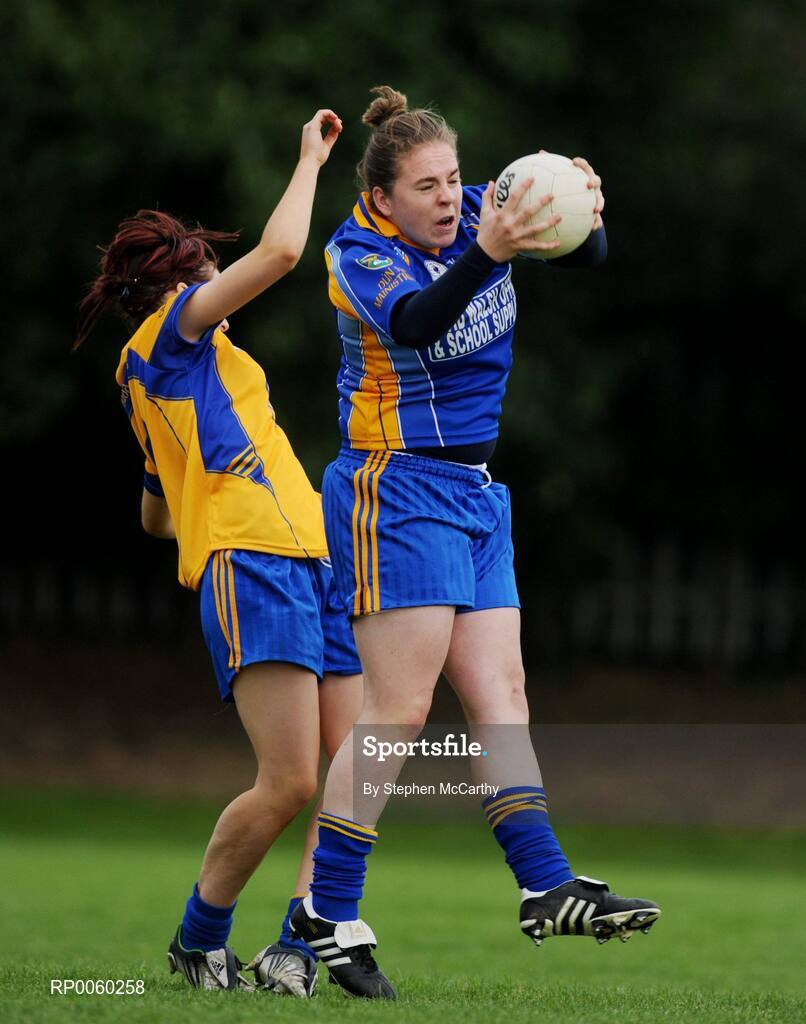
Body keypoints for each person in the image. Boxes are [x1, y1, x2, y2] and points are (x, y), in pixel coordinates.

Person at [287, 87, 661, 999]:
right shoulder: (357, 254)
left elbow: (592, 251)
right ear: (383, 197)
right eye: (428, 187)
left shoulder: (485, 210)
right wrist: (489, 249)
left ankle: (545, 884)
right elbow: (418, 322)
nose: (452, 199)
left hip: (474, 494)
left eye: (456, 179)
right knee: (400, 711)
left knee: (503, 694)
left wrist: (580, 203)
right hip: (395, 488)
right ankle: (325, 914)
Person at [75, 109, 364, 997]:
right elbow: (280, 255)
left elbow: (157, 518)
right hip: (256, 563)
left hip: (307, 558)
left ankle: (295, 947)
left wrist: (198, 492)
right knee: (288, 783)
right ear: (182, 279)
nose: (215, 273)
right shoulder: (172, 336)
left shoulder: (167, 375)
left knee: (362, 765)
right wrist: (312, 160)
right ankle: (199, 941)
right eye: (203, 264)